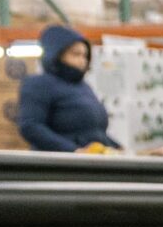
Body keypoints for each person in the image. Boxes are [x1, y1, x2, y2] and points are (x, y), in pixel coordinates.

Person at [15, 24, 119, 152]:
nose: (82, 60)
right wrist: (73, 151)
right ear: (56, 54)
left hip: (88, 163)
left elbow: (94, 133)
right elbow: (30, 126)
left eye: (85, 56)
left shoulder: (83, 87)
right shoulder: (39, 84)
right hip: (58, 166)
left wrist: (120, 150)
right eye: (76, 54)